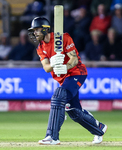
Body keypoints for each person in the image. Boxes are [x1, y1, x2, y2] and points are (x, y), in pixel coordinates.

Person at [27, 17, 107, 145]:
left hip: (77, 73)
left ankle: (52, 136)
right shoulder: (40, 47)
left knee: (59, 96)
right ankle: (99, 129)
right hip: (63, 79)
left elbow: (74, 59)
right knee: (73, 111)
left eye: (36, 30)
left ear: (45, 29)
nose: (35, 33)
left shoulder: (63, 38)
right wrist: (54, 63)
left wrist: (65, 66)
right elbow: (47, 68)